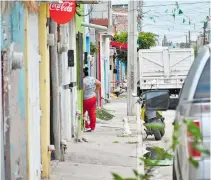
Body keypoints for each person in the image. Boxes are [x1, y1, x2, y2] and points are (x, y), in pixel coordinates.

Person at [83, 67, 101, 132]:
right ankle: (92, 127)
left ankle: (87, 126)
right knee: (92, 113)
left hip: (86, 99)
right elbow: (99, 83)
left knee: (81, 113)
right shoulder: (92, 78)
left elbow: (83, 90)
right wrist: (95, 91)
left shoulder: (83, 81)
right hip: (93, 97)